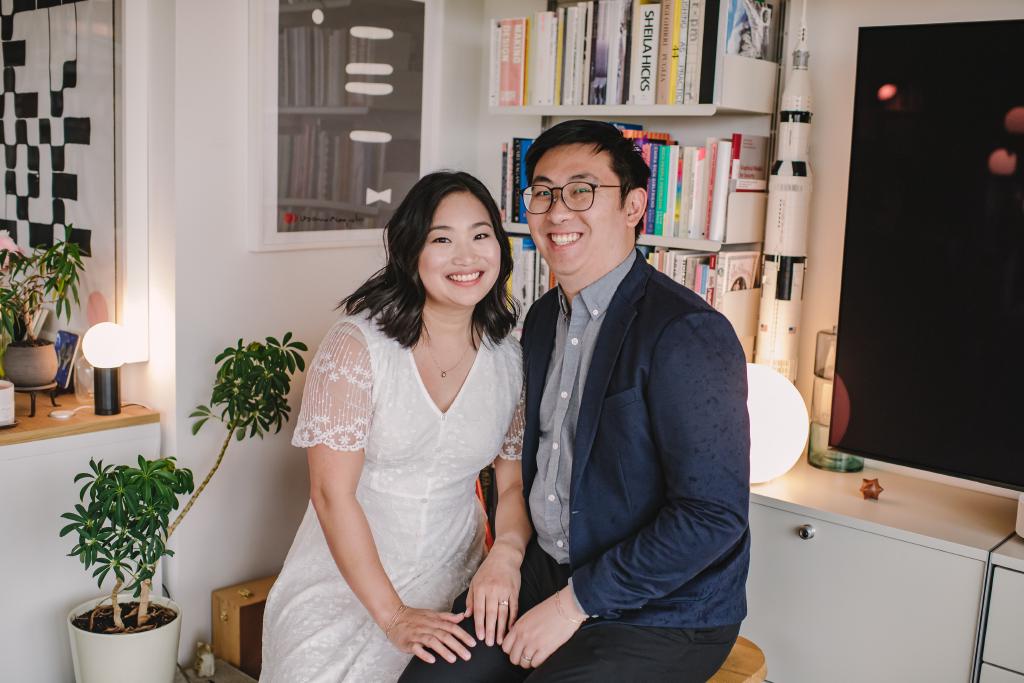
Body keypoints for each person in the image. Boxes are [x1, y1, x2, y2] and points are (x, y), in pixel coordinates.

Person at [401, 120, 751, 682]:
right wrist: (508, 556)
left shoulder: (686, 332)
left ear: (634, 206)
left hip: (663, 610)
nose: (557, 212)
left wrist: (573, 605)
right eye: (542, 193)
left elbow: (712, 518)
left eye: (582, 190)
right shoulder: (540, 319)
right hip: (548, 569)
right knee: (432, 678)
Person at [261, 171, 533, 683]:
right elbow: (329, 494)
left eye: (481, 235)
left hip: (456, 574)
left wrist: (506, 556)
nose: (466, 256)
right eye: (442, 240)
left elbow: (512, 484)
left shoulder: (511, 359)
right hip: (346, 579)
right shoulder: (356, 347)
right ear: (411, 254)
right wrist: (394, 616)